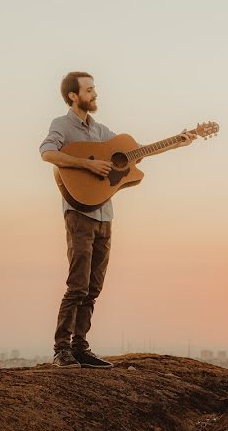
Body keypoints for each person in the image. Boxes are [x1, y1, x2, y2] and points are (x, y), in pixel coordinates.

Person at [39, 71, 193, 368]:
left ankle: (80, 347)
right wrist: (85, 164)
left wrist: (177, 142)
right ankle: (61, 349)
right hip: (79, 213)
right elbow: (47, 153)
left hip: (104, 214)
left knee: (94, 287)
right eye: (89, 89)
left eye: (95, 88)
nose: (95, 93)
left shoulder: (101, 131)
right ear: (73, 95)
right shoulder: (62, 126)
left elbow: (132, 155)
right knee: (78, 285)